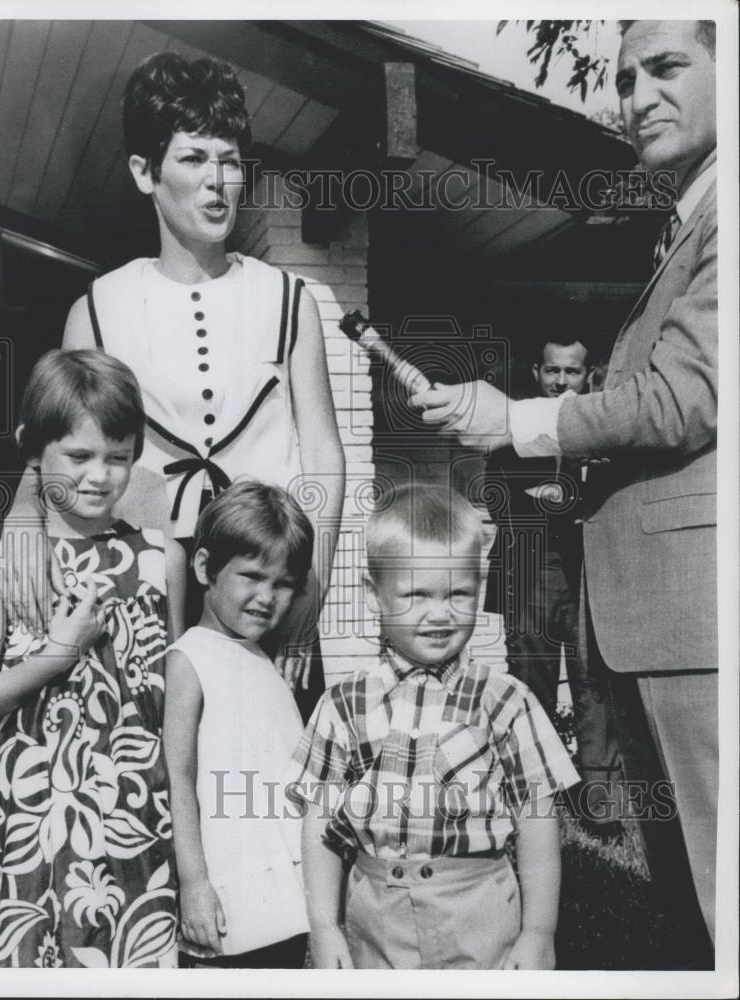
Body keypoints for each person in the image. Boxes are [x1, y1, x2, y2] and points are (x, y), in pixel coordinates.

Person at [411, 20, 718, 946]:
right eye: (626, 79)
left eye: (668, 68)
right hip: (646, 623)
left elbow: (684, 397)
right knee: (691, 901)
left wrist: (512, 418)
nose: (637, 98)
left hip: (695, 621)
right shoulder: (687, 219)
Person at [6, 52, 345, 722]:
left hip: (261, 586)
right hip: (147, 590)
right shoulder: (98, 307)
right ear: (144, 172)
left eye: (230, 160)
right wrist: (23, 518)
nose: (217, 182)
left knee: (269, 781)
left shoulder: (287, 299)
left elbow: (326, 457)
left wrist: (313, 579)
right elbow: (57, 448)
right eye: (193, 159)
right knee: (159, 783)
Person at [0, 350, 186, 968]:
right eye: (78, 456)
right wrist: (55, 656)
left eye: (119, 456)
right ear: (33, 448)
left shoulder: (163, 561)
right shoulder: (3, 563)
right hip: (40, 819)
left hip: (142, 812)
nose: (101, 475)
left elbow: (184, 696)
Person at [290, 484, 579, 970]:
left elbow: (537, 821)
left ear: (480, 587)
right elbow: (319, 824)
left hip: (479, 911)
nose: (440, 613)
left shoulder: (504, 700)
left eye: (458, 593)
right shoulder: (343, 704)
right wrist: (324, 926)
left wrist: (538, 933)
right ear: (373, 594)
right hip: (373, 915)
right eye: (416, 594)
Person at [163, 481, 313, 968]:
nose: (267, 597)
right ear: (204, 566)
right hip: (230, 898)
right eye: (251, 576)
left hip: (285, 892)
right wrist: (194, 884)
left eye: (284, 584)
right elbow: (177, 779)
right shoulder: (190, 659)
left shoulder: (262, 658)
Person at [484, 337, 620, 835]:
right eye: (553, 371)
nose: (562, 381)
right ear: (537, 372)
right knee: (531, 681)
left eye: (573, 372)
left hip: (590, 569)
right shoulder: (514, 424)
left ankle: (598, 802)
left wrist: (564, 495)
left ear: (589, 376)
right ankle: (536, 796)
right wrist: (560, 500)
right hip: (532, 568)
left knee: (592, 682)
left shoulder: (603, 425)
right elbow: (495, 494)